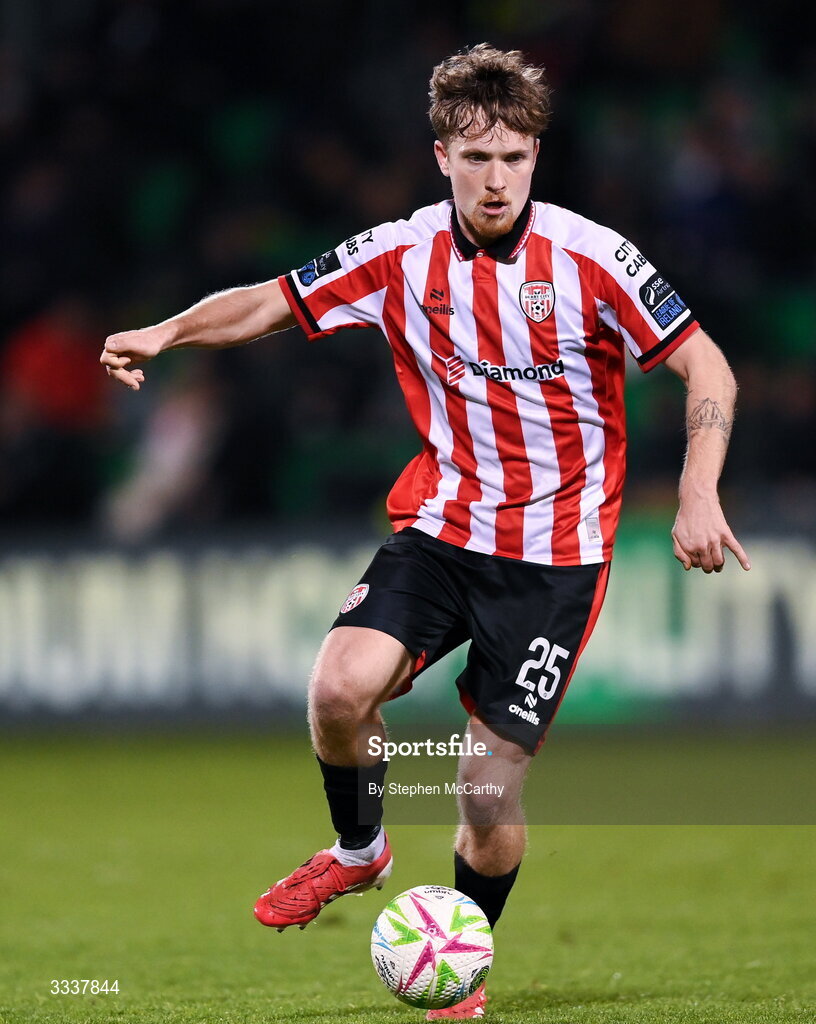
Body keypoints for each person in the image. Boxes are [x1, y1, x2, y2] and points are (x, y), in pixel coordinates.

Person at [101, 44, 750, 1020]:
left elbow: (709, 368)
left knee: (487, 800)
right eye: (478, 157)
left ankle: (463, 962)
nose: (498, 180)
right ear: (440, 154)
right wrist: (164, 331)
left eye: (517, 159)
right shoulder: (400, 253)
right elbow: (272, 300)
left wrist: (698, 491)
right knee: (336, 687)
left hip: (554, 565)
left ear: (538, 157)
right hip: (442, 529)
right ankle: (361, 853)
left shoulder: (594, 259)